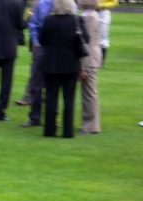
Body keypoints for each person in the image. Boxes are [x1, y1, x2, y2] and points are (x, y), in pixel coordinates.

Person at [39, 0, 85, 138]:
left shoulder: (48, 20)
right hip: (71, 64)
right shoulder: (76, 20)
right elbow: (84, 39)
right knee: (69, 99)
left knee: (51, 98)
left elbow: (42, 40)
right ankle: (67, 131)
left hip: (52, 63)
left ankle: (49, 130)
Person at [20, 0, 51, 128]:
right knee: (36, 84)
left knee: (53, 86)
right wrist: (36, 43)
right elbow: (33, 25)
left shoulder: (69, 4)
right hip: (42, 48)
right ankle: (35, 117)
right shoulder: (42, 4)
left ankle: (51, 118)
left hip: (57, 49)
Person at [78, 0, 101, 135]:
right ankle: (89, 123)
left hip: (89, 59)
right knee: (88, 92)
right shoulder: (90, 15)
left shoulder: (89, 17)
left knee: (89, 93)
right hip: (92, 57)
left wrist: (84, 66)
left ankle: (91, 125)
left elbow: (88, 43)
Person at [97, 0, 116, 66]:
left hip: (103, 12)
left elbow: (114, 2)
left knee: (103, 37)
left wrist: (102, 5)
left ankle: (101, 61)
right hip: (90, 11)